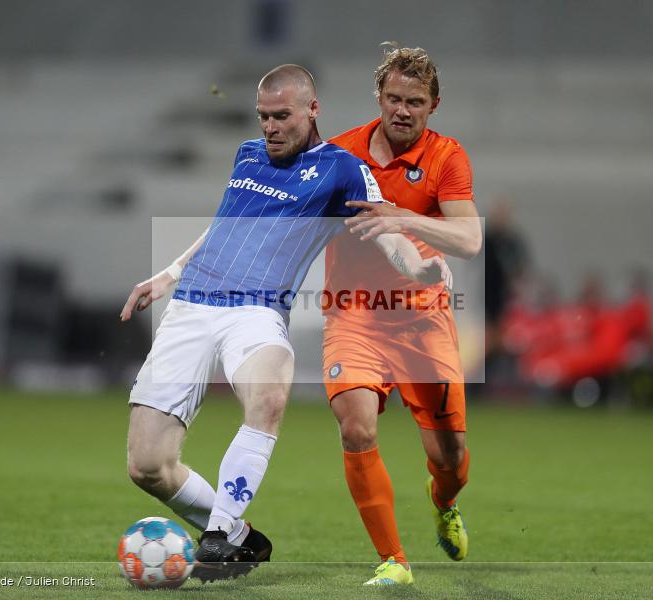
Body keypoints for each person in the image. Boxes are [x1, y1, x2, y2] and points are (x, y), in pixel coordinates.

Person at [118, 64, 451, 582]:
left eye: (281, 117)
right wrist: (169, 272)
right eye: (263, 117)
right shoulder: (247, 154)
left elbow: (387, 232)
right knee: (147, 465)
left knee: (269, 395)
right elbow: (223, 226)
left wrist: (422, 267)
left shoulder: (341, 169)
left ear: (312, 111)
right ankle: (238, 537)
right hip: (191, 307)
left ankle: (218, 535)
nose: (269, 128)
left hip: (256, 311)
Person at [322, 47, 482, 585]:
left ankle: (444, 503)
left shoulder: (446, 158)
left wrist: (405, 217)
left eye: (415, 101)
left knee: (451, 456)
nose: (402, 110)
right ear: (379, 98)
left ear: (434, 105)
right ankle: (394, 559)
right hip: (354, 315)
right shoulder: (340, 152)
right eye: (393, 98)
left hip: (421, 320)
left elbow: (469, 238)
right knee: (356, 425)